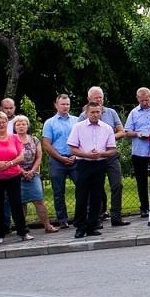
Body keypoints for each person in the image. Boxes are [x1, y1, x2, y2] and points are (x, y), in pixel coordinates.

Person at [0, 111, 31, 243]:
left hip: (13, 174)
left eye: (4, 122)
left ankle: (22, 232)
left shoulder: (15, 138)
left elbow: (21, 156)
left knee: (16, 203)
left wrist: (9, 164)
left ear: (7, 123)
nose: (1, 125)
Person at [67, 103, 117, 237]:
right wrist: (86, 154)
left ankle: (92, 226)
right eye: (92, 112)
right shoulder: (78, 127)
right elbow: (72, 148)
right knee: (82, 196)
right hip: (83, 163)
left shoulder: (107, 128)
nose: (95, 115)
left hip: (99, 164)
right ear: (87, 113)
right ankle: (79, 226)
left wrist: (101, 153)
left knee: (97, 196)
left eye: (97, 112)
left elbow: (112, 150)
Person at [82, 87, 129, 226]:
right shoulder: (84, 115)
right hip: (94, 157)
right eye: (96, 98)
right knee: (96, 187)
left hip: (110, 154)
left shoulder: (111, 112)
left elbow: (122, 132)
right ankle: (97, 218)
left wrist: (109, 138)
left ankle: (116, 216)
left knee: (117, 185)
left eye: (101, 97)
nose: (99, 100)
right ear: (89, 99)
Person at [125, 87, 150, 221]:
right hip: (140, 151)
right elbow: (127, 132)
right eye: (141, 101)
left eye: (146, 100)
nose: (144, 103)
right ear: (137, 99)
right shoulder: (134, 113)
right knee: (141, 180)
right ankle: (144, 207)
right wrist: (137, 134)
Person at [13, 115, 57, 234]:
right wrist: (22, 171)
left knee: (39, 200)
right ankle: (22, 228)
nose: (21, 127)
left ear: (27, 126)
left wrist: (32, 171)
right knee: (21, 203)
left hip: (33, 174)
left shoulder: (34, 140)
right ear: (14, 127)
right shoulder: (11, 140)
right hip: (17, 173)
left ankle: (47, 226)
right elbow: (12, 157)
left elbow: (39, 157)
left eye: (23, 124)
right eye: (18, 124)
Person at [41, 94, 77, 230]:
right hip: (57, 160)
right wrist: (60, 158)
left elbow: (81, 140)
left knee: (82, 187)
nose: (65, 107)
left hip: (74, 158)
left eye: (67, 104)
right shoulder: (50, 123)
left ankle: (82, 215)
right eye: (62, 104)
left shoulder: (77, 120)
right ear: (56, 105)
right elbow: (47, 144)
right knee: (58, 191)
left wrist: (75, 155)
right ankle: (62, 219)